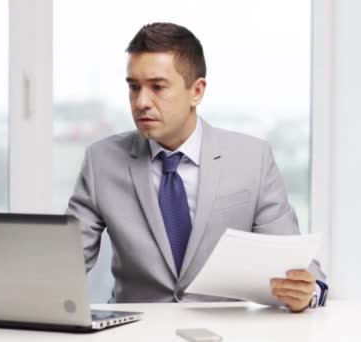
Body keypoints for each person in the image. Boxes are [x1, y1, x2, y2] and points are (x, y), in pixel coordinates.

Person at [67, 22, 327, 312]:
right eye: (134, 87)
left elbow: (298, 265)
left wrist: (307, 291)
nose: (141, 102)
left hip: (225, 330)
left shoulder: (252, 158)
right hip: (134, 329)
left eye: (157, 87)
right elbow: (65, 263)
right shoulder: (101, 161)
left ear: (197, 91)